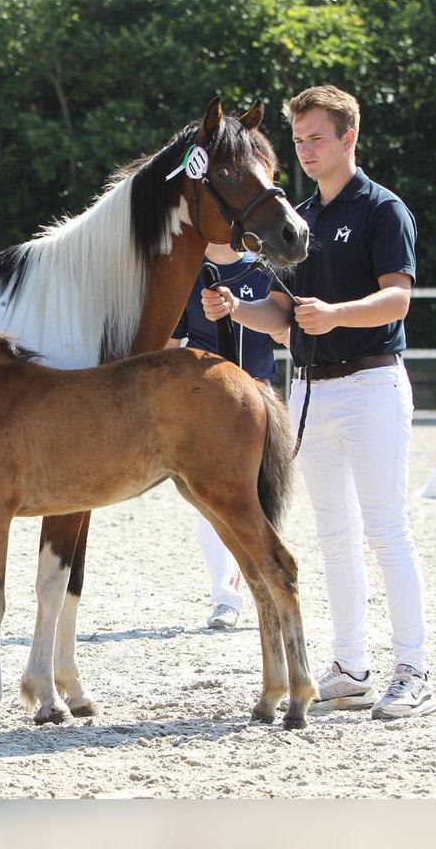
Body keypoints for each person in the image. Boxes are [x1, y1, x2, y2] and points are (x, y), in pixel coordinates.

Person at [202, 84, 436, 720]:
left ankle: (413, 667)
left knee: (387, 528)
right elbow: (283, 316)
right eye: (299, 139)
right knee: (333, 533)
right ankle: (351, 665)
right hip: (310, 389)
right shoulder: (298, 216)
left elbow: (397, 298)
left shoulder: (383, 210)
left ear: (348, 138)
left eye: (315, 138)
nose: (305, 150)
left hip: (371, 384)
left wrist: (335, 316)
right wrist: (236, 309)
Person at [168, 244, 287, 631]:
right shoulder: (191, 274)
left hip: (259, 395)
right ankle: (226, 596)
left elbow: (284, 329)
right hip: (208, 405)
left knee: (263, 496)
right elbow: (170, 344)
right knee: (213, 500)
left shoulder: (266, 268)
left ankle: (262, 581)